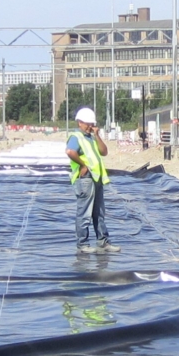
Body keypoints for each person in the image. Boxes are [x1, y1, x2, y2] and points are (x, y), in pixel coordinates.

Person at [66, 106, 111, 250]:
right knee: (84, 213)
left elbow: (104, 152)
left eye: (92, 124)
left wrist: (97, 135)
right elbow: (70, 151)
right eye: (87, 123)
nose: (90, 126)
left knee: (99, 213)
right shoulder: (76, 137)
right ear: (80, 122)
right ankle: (83, 244)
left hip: (96, 178)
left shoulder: (91, 138)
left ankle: (103, 241)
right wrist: (83, 164)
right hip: (85, 180)